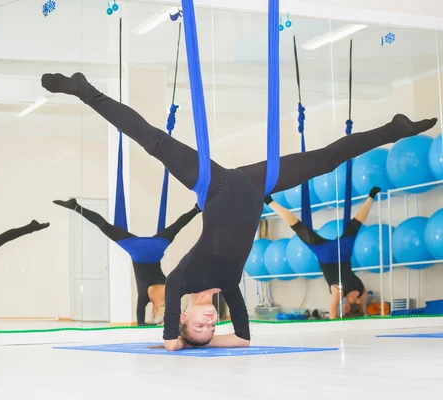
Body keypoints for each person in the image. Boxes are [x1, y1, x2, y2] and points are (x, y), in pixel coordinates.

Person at [41, 71, 437, 350]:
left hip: (210, 186)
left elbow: (169, 342)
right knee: (326, 160)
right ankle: (394, 129)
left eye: (200, 325)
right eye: (211, 328)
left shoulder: (181, 279)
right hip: (254, 186)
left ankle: (84, 90)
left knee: (154, 141)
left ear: (181, 317)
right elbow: (244, 338)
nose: (210, 322)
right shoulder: (230, 286)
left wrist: (180, 342)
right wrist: (209, 343)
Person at [53, 198, 200, 325]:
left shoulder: (169, 287)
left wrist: (162, 320)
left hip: (155, 247)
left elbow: (169, 309)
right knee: (104, 226)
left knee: (176, 227)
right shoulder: (145, 295)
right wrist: (148, 323)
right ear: (153, 309)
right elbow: (140, 321)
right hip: (140, 250)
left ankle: (196, 209)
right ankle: (76, 207)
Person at [264, 187, 382, 319]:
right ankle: (269, 202)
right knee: (297, 226)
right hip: (325, 254)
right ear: (347, 308)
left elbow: (365, 314)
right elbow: (332, 314)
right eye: (344, 309)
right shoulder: (339, 290)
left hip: (342, 251)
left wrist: (363, 316)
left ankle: (371, 196)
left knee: (356, 223)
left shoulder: (362, 291)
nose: (342, 308)